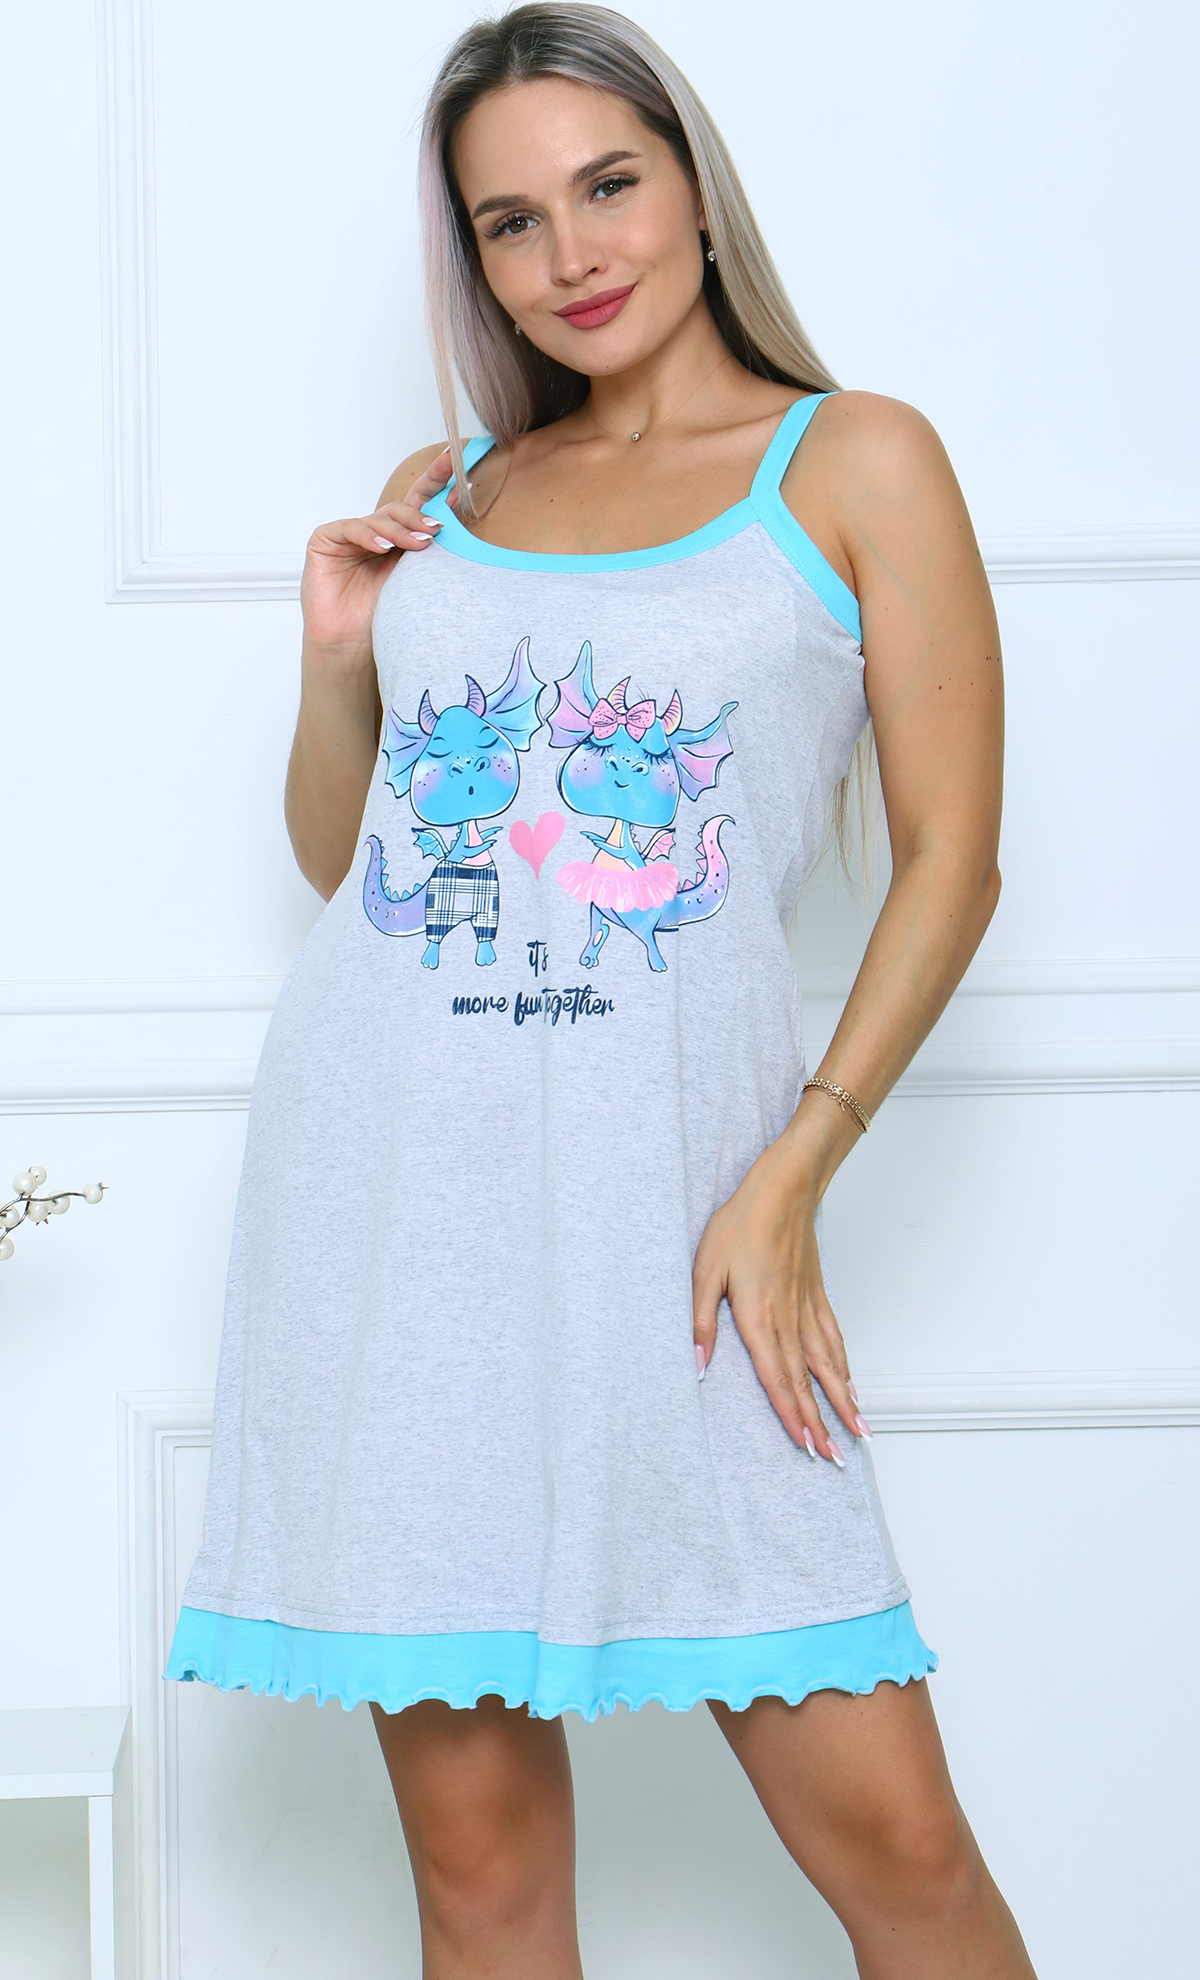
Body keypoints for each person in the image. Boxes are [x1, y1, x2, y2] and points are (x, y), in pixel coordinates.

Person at [164, 5, 1036, 1974]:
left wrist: (795, 1172)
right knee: (480, 1881)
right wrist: (339, 660)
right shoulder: (456, 486)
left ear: (696, 189)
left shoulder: (856, 460)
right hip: (400, 1225)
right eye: (510, 221)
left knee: (902, 1854)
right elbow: (353, 862)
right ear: (472, 259)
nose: (571, 254)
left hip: (688, 1236)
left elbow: (955, 861)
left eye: (608, 186)